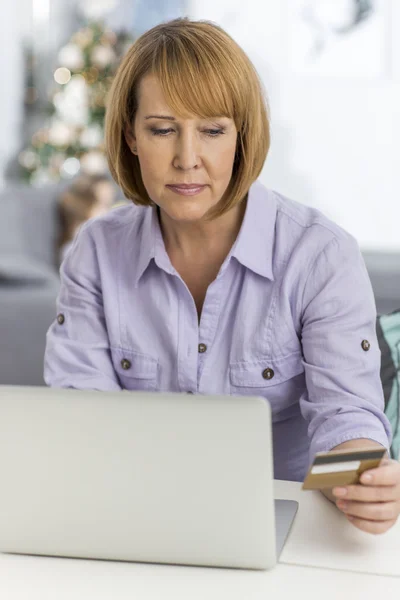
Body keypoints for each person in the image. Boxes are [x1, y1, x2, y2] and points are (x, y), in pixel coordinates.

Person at [44, 18, 400, 534]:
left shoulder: (320, 255)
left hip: (290, 531)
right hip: (137, 521)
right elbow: (79, 419)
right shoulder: (95, 255)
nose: (188, 159)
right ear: (132, 137)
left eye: (212, 130)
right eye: (163, 129)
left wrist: (364, 481)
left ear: (241, 137)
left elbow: (345, 417)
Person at [57, 173, 116, 264]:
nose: (110, 211)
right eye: (103, 204)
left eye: (110, 204)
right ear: (83, 207)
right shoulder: (74, 251)